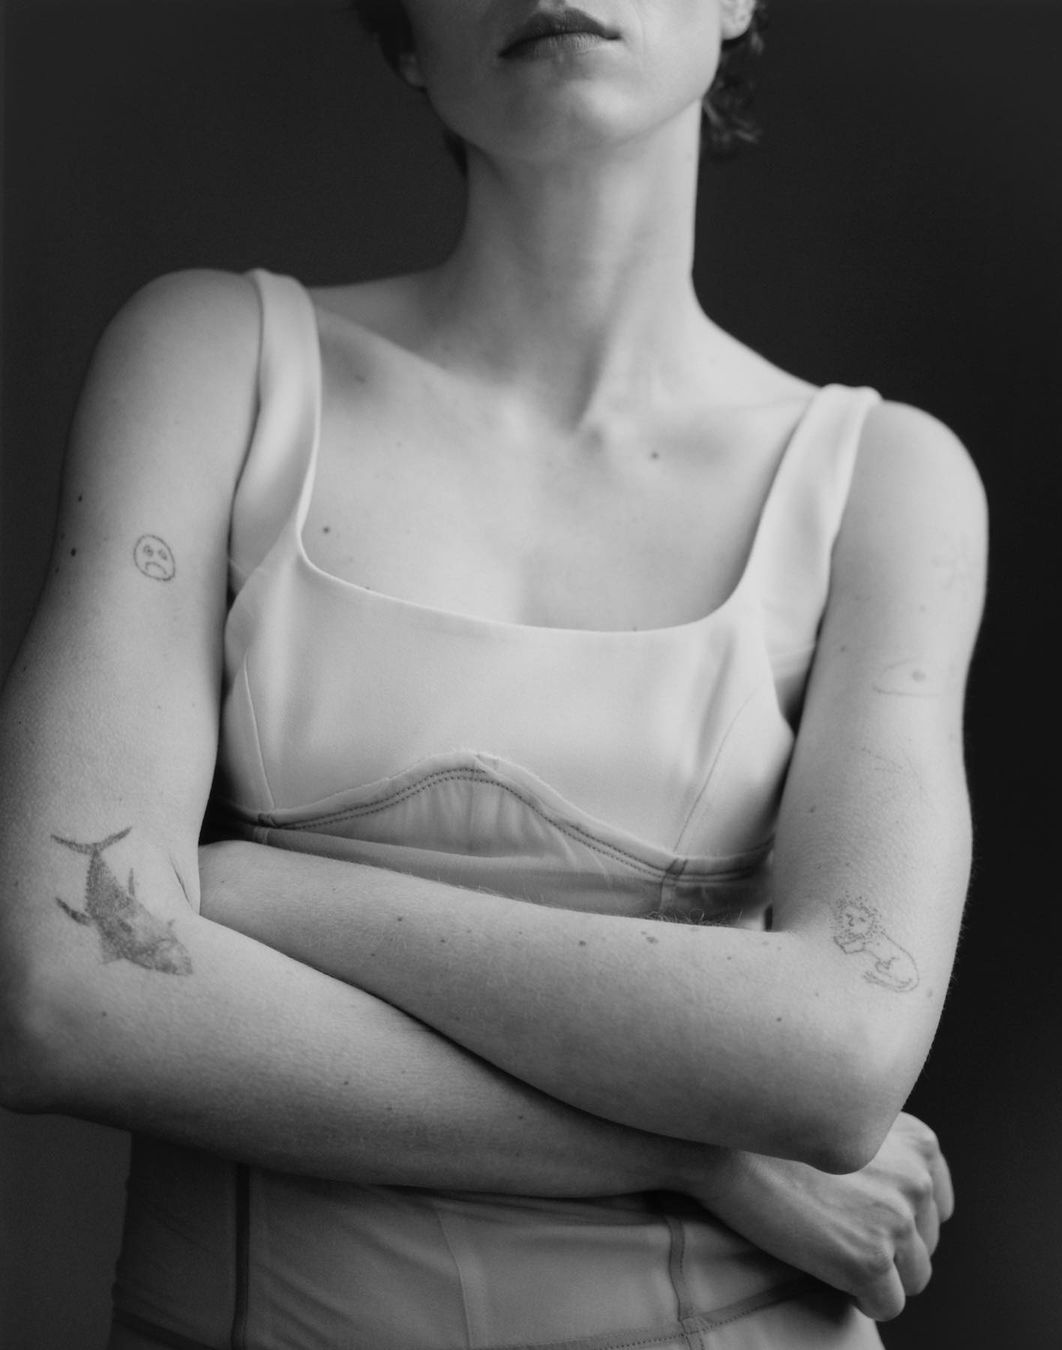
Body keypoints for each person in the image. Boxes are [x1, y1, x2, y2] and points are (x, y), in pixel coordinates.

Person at [0, 1, 986, 1346]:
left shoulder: (887, 481)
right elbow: (59, 994)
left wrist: (262, 892)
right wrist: (701, 1155)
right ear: (405, 34)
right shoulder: (213, 362)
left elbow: (840, 1060)